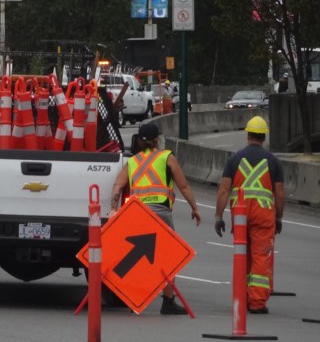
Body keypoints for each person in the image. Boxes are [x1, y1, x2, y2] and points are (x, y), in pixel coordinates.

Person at [110, 121, 201, 315]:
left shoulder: (132, 161)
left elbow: (118, 185)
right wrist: (194, 208)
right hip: (160, 212)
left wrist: (112, 208)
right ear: (156, 140)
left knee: (135, 257)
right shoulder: (166, 157)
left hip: (136, 214)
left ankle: (130, 296)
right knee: (169, 257)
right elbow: (183, 186)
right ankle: (168, 302)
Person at [213, 115, 285, 315]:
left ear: (248, 135)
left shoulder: (234, 160)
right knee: (261, 257)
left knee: (242, 257)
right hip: (263, 216)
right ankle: (257, 302)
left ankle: (242, 297)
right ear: (264, 136)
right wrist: (279, 217)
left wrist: (218, 217)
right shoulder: (274, 162)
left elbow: (223, 190)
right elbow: (279, 194)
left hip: (241, 216)